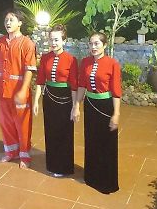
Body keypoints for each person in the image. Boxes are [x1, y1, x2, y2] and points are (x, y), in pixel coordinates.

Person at [0, 9, 37, 169]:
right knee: (5, 122)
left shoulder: (27, 43)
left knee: (22, 124)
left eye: (12, 20)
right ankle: (11, 152)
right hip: (3, 90)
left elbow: (30, 69)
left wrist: (23, 90)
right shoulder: (1, 41)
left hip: (19, 91)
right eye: (6, 20)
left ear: (20, 23)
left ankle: (24, 154)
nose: (8, 23)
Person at [73, 32, 121, 194]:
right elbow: (81, 86)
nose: (93, 47)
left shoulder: (112, 63)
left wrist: (116, 114)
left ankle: (106, 181)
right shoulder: (85, 62)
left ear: (104, 45)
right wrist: (76, 106)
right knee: (91, 140)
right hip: (90, 105)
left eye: (97, 44)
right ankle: (91, 176)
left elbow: (116, 91)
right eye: (91, 44)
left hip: (106, 106)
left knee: (106, 143)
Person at [33, 24, 78, 177]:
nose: (53, 43)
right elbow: (40, 81)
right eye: (51, 40)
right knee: (50, 130)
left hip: (65, 98)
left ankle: (64, 166)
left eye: (57, 40)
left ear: (64, 41)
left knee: (64, 132)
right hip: (49, 96)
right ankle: (52, 164)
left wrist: (75, 107)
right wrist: (36, 102)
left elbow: (74, 85)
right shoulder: (45, 58)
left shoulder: (71, 60)